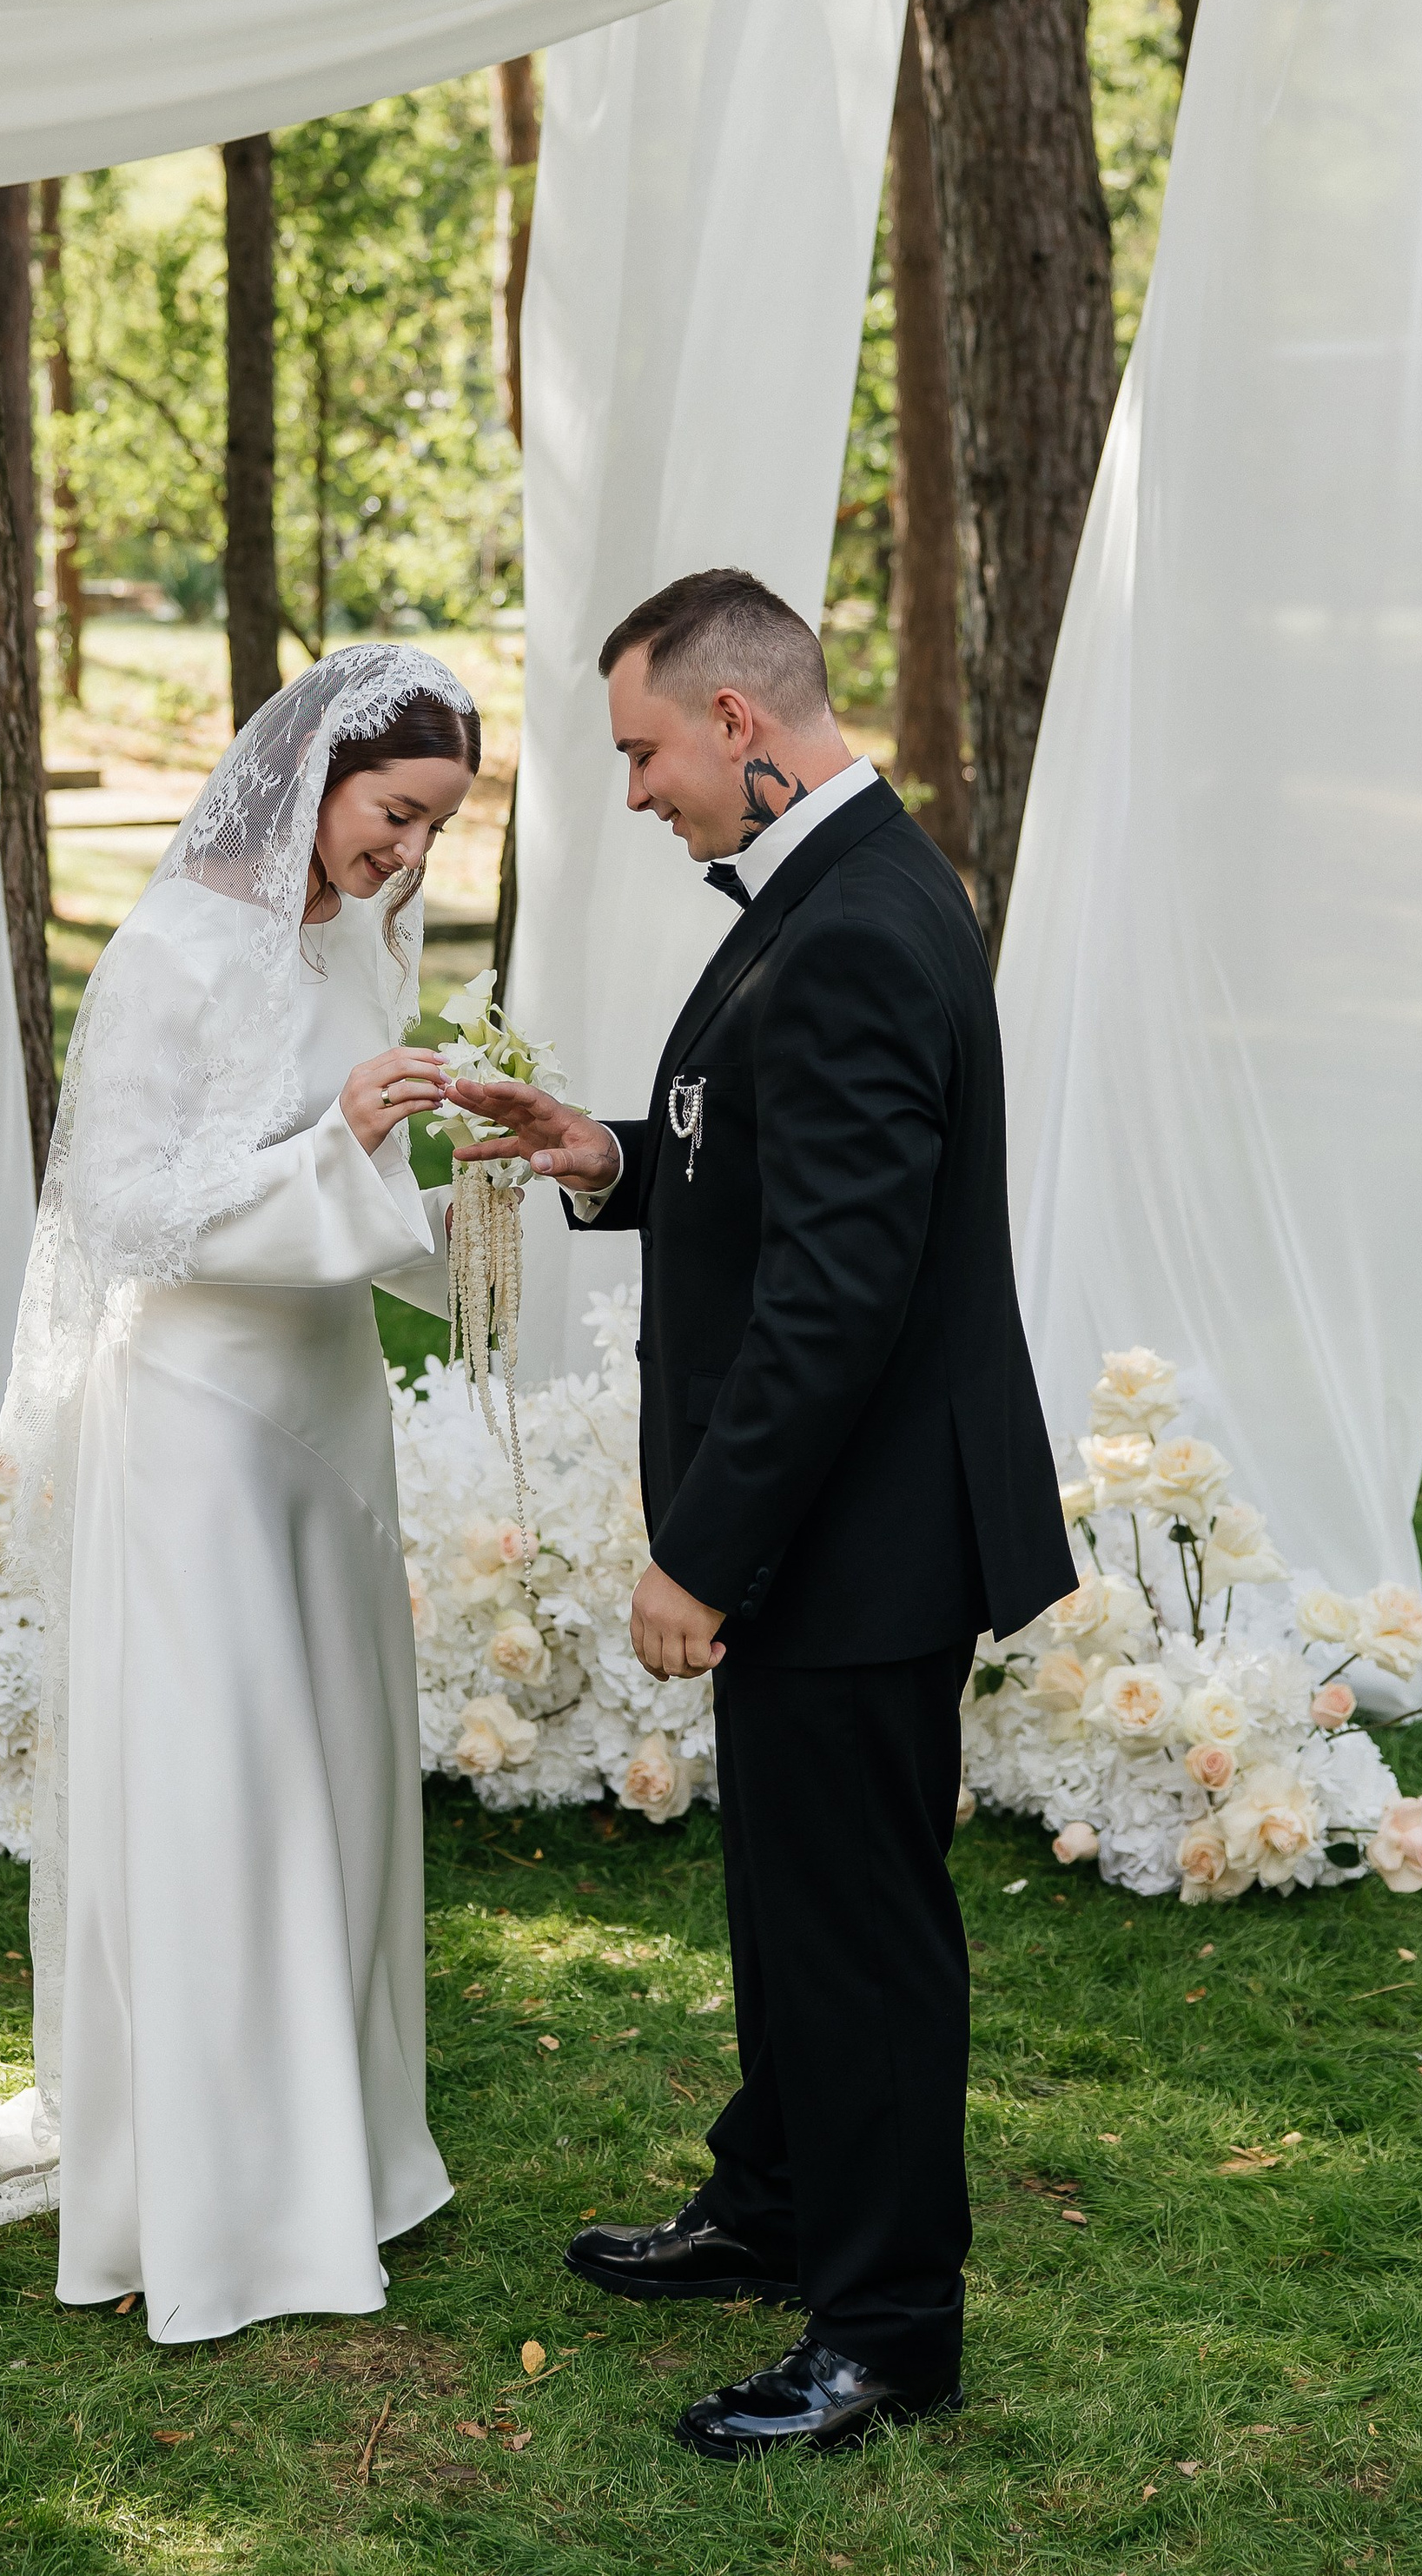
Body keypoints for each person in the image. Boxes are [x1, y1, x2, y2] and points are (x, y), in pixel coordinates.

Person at [451, 568, 1075, 2459]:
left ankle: (882, 2329)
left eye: (643, 749)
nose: (635, 791)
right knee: (787, 1900)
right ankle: (777, 2202)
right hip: (839, 1513)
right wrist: (615, 1158)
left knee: (855, 1932)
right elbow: (772, 1161)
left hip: (857, 1530)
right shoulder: (835, 888)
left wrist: (699, 1548)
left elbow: (837, 1290)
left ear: (736, 722)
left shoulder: (865, 920)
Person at [0, 646, 473, 2343]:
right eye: (393, 816)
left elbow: (355, 1182)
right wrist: (328, 1139)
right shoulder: (172, 947)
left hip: (322, 1412)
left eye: (431, 832)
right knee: (226, 1784)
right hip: (191, 1416)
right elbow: (121, 1213)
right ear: (317, 776)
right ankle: (221, 2195)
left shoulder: (355, 942)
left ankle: (346, 2148)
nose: (403, 857)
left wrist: (447, 1151)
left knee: (331, 1777)